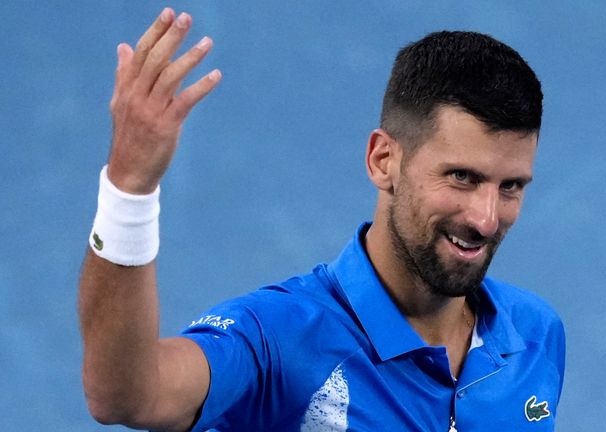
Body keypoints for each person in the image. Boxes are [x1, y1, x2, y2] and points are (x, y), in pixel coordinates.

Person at [79, 7, 565, 432]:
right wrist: (129, 190)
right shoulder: (275, 338)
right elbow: (125, 395)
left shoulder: (536, 334)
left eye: (511, 187)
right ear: (383, 161)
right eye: (461, 177)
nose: (485, 218)